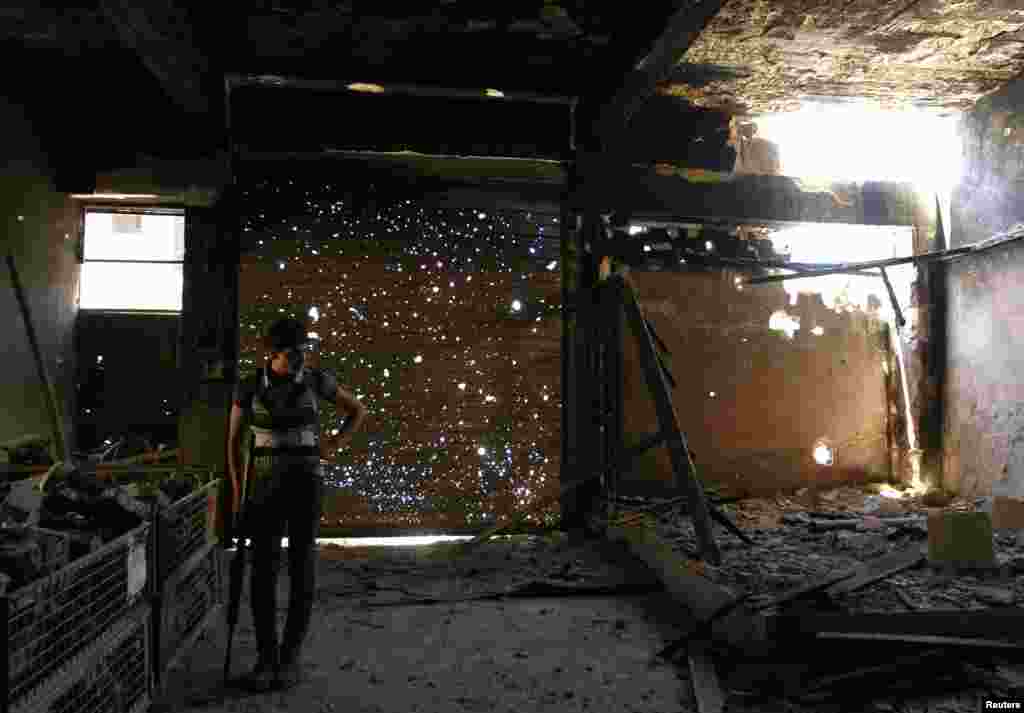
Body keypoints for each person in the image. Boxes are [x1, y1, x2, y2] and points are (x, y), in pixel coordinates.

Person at [227, 316, 367, 691]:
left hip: (306, 485)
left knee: (303, 568)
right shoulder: (251, 385)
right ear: (272, 352)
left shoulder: (316, 380)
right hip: (264, 485)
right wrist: (240, 494)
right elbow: (234, 443)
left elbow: (357, 411)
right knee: (263, 572)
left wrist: (333, 444)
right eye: (292, 352)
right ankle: (265, 659)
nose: (300, 358)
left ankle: (289, 660)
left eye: (304, 351)